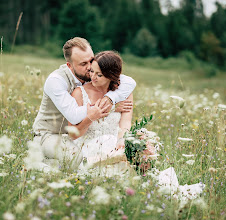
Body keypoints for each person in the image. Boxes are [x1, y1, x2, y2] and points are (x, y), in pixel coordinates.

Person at [69, 51, 205, 201]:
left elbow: (125, 122)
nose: (93, 77)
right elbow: (74, 134)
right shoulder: (79, 93)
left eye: (99, 75)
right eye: (92, 72)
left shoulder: (123, 93)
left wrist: (122, 141)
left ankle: (168, 193)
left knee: (136, 150)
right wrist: (91, 117)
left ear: (111, 76)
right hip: (89, 147)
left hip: (115, 145)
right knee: (113, 150)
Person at [32, 37, 136, 170]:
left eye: (91, 60)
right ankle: (40, 166)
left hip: (74, 137)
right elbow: (74, 116)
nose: (89, 67)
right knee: (75, 157)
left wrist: (110, 99)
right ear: (70, 66)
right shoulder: (56, 81)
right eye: (83, 64)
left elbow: (130, 82)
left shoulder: (94, 75)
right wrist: (111, 108)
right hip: (49, 135)